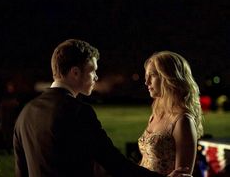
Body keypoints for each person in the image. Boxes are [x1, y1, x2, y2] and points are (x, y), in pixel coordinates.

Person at [13, 39, 192, 177]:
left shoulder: (25, 113)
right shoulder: (78, 111)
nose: (96, 77)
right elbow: (113, 162)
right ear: (75, 72)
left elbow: (20, 170)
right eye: (93, 71)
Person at [138, 51, 204, 176]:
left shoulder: (182, 121)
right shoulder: (155, 114)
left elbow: (183, 174)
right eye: (146, 76)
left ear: (169, 77)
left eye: (152, 75)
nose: (147, 82)